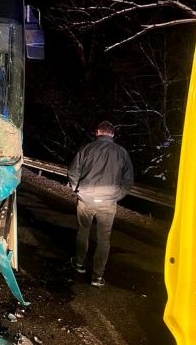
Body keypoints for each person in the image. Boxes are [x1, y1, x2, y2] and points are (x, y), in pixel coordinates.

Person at [67, 121, 133, 287]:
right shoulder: (121, 152)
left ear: (97, 132)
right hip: (108, 203)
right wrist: (117, 195)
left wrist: (77, 190)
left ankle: (79, 263)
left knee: (83, 231)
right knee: (104, 239)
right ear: (112, 134)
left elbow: (73, 171)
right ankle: (97, 276)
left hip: (86, 200)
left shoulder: (87, 149)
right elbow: (128, 179)